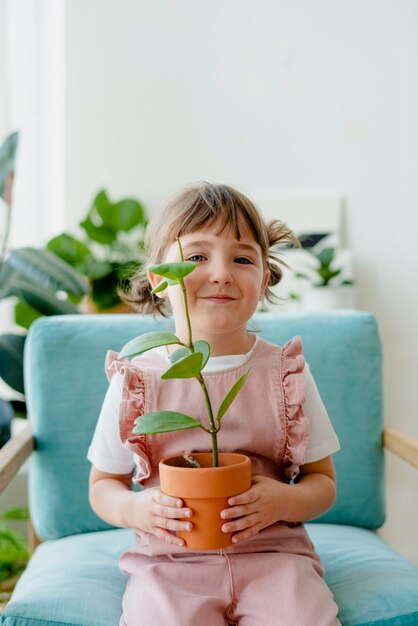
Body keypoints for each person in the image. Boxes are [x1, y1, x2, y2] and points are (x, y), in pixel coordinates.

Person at [88, 182, 341, 626]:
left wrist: (282, 501)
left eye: (242, 259)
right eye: (197, 257)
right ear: (160, 280)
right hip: (170, 564)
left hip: (276, 559)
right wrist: (135, 508)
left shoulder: (285, 373)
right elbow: (102, 485)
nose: (221, 273)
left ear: (262, 282)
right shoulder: (137, 380)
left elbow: (323, 484)